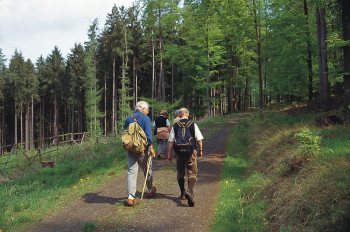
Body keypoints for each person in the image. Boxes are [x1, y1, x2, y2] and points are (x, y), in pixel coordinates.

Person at [167, 108, 203, 207]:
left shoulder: (175, 126)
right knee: (192, 172)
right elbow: (199, 140)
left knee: (180, 172)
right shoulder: (193, 124)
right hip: (191, 152)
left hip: (179, 153)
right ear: (188, 114)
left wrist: (169, 154)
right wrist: (200, 151)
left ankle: (183, 193)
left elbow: (171, 142)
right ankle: (190, 191)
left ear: (179, 115)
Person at [124, 101, 156, 206]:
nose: (147, 112)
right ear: (142, 109)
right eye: (147, 109)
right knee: (147, 169)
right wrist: (151, 147)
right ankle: (150, 190)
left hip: (131, 149)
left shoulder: (129, 118)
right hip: (143, 149)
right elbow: (148, 135)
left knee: (131, 172)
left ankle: (130, 197)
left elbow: (126, 133)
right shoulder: (145, 118)